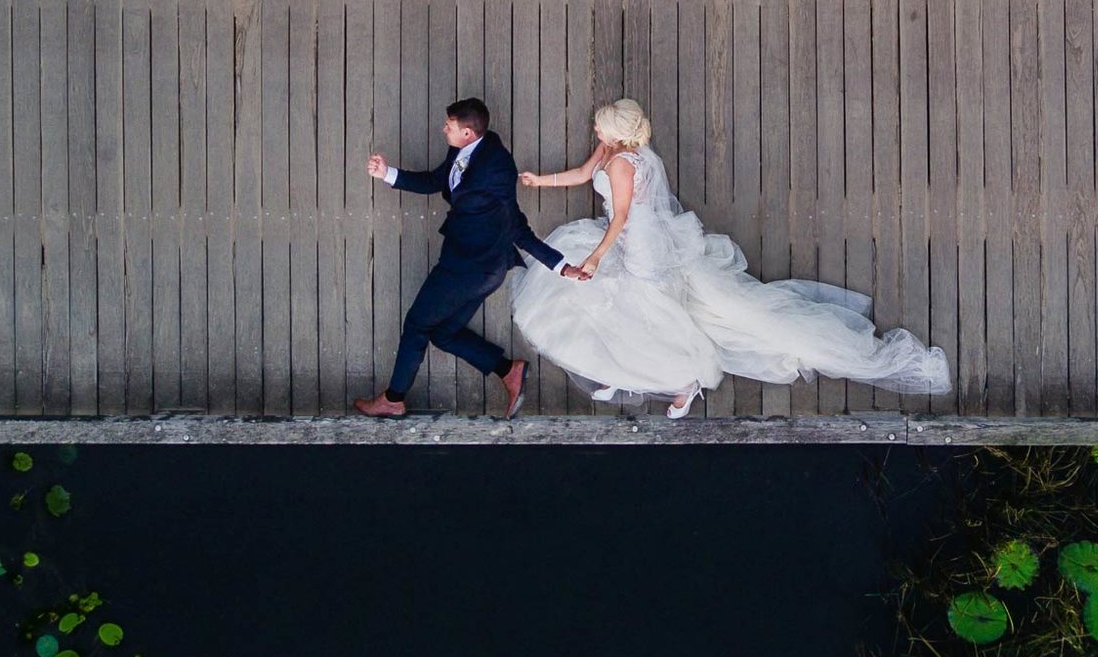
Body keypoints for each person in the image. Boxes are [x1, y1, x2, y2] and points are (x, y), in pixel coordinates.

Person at [510, 99, 951, 418]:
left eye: (599, 128)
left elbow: (622, 215)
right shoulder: (610, 152)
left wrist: (595, 256)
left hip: (640, 244)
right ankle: (621, 367)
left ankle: (683, 382)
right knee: (615, 305)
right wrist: (540, 180)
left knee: (642, 308)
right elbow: (586, 174)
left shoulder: (626, 164)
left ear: (617, 132)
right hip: (629, 239)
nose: (595, 132)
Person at [353, 97, 589, 420]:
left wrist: (561, 267)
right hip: (468, 261)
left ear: (467, 133)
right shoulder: (465, 148)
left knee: (418, 323)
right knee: (444, 332)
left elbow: (517, 227)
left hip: (473, 266)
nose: (443, 129)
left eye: (448, 126)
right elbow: (438, 180)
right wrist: (387, 174)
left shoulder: (497, 169)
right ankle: (508, 370)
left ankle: (393, 399)